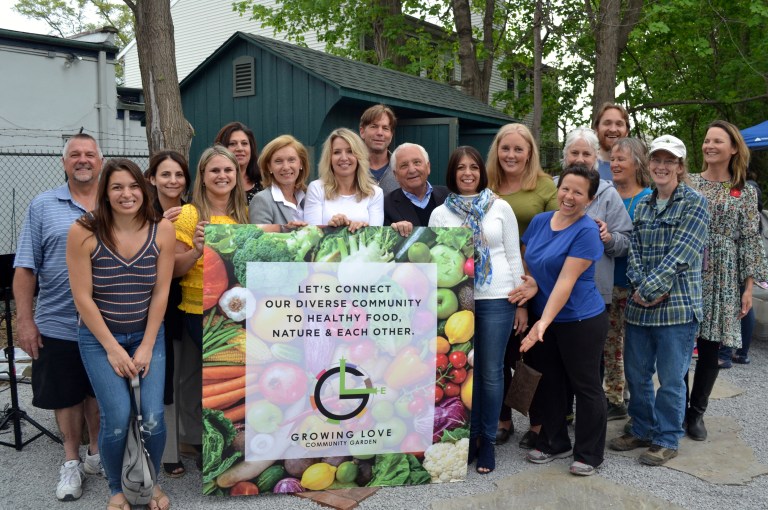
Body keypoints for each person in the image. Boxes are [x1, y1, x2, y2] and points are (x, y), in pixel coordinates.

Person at [67, 159, 175, 510]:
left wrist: (145, 345)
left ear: (143, 189)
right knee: (116, 419)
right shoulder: (84, 231)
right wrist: (113, 349)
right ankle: (116, 487)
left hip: (147, 335)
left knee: (154, 418)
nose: (126, 194)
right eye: (116, 187)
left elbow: (161, 292)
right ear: (105, 192)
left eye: (132, 186)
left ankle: (149, 480)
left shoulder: (162, 231)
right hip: (100, 340)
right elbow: (82, 297)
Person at [13, 133, 105, 502]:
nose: (83, 160)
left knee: (98, 392)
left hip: (107, 322)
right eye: (75, 155)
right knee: (66, 396)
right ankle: (70, 460)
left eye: (89, 154)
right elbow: (25, 267)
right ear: (64, 162)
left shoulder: (118, 200)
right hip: (57, 320)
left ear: (101, 160)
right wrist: (25, 320)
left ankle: (96, 454)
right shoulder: (42, 205)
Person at [608, 135, 709, 467]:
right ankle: (642, 428)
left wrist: (650, 288)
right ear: (648, 165)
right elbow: (634, 249)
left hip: (677, 307)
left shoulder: (695, 203)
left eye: (670, 161)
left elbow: (682, 254)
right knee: (636, 376)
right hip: (640, 305)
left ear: (680, 166)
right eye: (657, 160)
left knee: (670, 379)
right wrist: (640, 286)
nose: (662, 167)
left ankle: (666, 438)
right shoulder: (645, 203)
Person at [429, 146, 526, 474]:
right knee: (466, 373)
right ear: (452, 174)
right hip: (460, 302)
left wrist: (521, 304)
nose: (467, 173)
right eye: (461, 168)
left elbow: (513, 256)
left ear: (481, 171)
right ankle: (468, 440)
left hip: (499, 298)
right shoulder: (441, 214)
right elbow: (434, 263)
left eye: (473, 167)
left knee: (491, 370)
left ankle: (488, 442)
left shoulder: (500, 207)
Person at [518, 164, 609, 477]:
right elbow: (528, 260)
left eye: (578, 192)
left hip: (580, 320)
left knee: (586, 387)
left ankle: (590, 454)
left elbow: (565, 282)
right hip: (545, 316)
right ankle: (555, 441)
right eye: (566, 188)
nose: (569, 196)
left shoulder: (586, 232)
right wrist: (530, 284)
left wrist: (542, 323)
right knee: (550, 383)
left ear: (590, 199)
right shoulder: (541, 221)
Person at [686, 121, 768, 440]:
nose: (709, 146)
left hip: (723, 275)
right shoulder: (689, 182)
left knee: (709, 348)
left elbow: (750, 239)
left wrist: (747, 288)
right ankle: (678, 409)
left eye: (717, 141)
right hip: (689, 268)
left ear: (733, 148)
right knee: (679, 345)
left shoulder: (744, 191)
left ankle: (696, 414)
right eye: (706, 140)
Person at [172, 146, 249, 455]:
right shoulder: (190, 215)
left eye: (228, 170)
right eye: (214, 170)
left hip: (230, 311)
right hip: (196, 311)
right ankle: (202, 443)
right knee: (201, 381)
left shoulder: (243, 216)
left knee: (227, 379)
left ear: (237, 175)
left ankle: (222, 440)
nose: (222, 176)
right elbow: (174, 268)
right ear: (202, 177)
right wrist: (196, 251)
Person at [486, 123, 557, 446]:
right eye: (505, 148)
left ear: (530, 153)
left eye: (518, 149)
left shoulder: (544, 187)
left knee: (533, 358)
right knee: (498, 357)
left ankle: (538, 423)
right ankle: (502, 419)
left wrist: (531, 290)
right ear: (496, 151)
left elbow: (559, 235)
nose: (511, 155)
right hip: (496, 287)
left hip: (536, 284)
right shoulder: (485, 185)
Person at [144, 151, 190, 478]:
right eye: (165, 174)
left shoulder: (191, 210)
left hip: (187, 301)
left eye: (178, 175)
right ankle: (168, 452)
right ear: (152, 178)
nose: (172, 181)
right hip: (152, 303)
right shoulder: (142, 212)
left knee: (181, 376)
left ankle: (186, 441)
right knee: (163, 380)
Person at [604, 138, 652, 421]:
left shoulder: (647, 198)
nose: (615, 164)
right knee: (610, 345)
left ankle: (638, 401)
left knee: (635, 348)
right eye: (612, 159)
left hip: (635, 286)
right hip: (607, 283)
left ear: (637, 163)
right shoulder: (605, 195)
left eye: (621, 159)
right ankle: (614, 398)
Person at [304, 128, 384, 228]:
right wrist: (330, 227)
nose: (344, 158)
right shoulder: (316, 188)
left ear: (359, 156)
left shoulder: (375, 193)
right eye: (337, 152)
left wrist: (362, 230)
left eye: (350, 151)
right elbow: (311, 234)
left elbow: (375, 238)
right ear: (329, 158)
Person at [384, 142, 448, 235]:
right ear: (395, 175)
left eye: (417, 162)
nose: (412, 170)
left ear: (428, 167)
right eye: (404, 165)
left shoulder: (449, 196)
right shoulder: (386, 205)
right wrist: (393, 231)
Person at [249, 134, 310, 226]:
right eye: (278, 161)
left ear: (301, 164)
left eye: (291, 160)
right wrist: (287, 231)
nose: (286, 167)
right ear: (269, 167)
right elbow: (261, 238)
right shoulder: (262, 200)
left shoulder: (308, 196)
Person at [214, 121, 262, 203]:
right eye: (232, 144)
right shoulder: (216, 181)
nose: (240, 148)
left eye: (244, 143)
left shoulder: (263, 182)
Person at [359, 104, 399, 194]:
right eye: (374, 126)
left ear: (391, 135)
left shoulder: (401, 168)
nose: (380, 133)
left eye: (385, 128)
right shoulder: (351, 168)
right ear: (362, 132)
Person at [592, 103, 630, 180]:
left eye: (619, 124)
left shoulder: (636, 168)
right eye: (607, 123)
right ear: (596, 129)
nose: (613, 129)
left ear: (627, 131)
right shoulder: (587, 165)